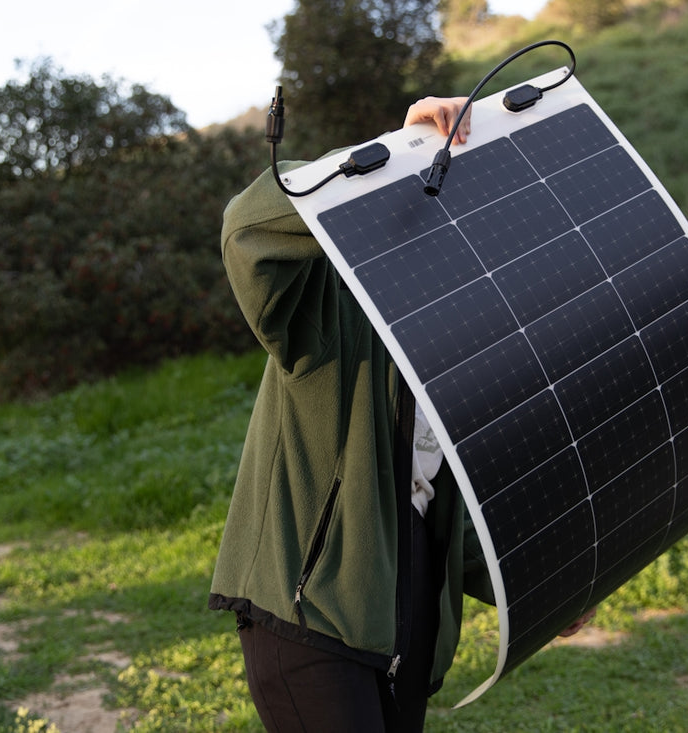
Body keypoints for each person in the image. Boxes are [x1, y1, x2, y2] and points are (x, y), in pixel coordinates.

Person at [208, 97, 592, 733]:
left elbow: (440, 508)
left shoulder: (465, 346)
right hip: (313, 617)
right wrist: (397, 153)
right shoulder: (329, 310)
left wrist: (538, 583)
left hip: (403, 625)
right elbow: (248, 223)